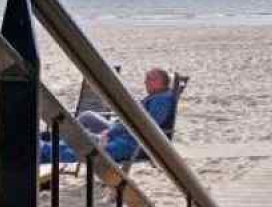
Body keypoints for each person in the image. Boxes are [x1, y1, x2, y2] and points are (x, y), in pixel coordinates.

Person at [41, 68, 177, 165]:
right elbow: (139, 123)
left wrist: (111, 132)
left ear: (163, 82)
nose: (146, 82)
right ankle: (45, 148)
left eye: (151, 79)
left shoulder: (161, 100)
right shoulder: (157, 97)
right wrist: (112, 131)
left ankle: (43, 149)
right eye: (146, 78)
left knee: (88, 149)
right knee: (86, 141)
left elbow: (147, 126)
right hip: (127, 137)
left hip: (135, 144)